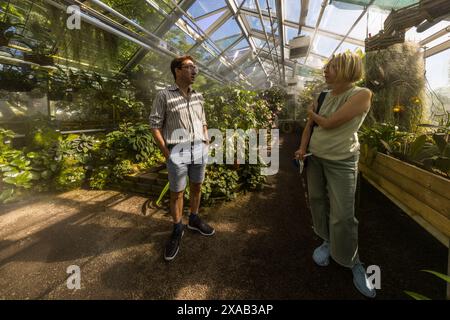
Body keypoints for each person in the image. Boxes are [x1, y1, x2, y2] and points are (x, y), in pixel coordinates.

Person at [294, 52, 376, 298]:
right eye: (326, 67)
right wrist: (302, 148)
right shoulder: (322, 95)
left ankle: (353, 261)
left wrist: (312, 115)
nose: (325, 71)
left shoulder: (361, 94)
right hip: (315, 158)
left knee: (343, 214)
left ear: (346, 69)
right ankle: (327, 241)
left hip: (342, 161)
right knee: (317, 201)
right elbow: (311, 127)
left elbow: (328, 123)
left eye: (331, 67)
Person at [149, 55, 214, 262]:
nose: (194, 71)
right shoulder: (164, 95)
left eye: (195, 67)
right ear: (177, 70)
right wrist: (167, 154)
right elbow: (155, 125)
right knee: (177, 193)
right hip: (177, 151)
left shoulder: (198, 96)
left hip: (199, 149)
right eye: (189, 67)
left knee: (197, 186)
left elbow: (203, 120)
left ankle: (193, 219)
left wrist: (205, 141)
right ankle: (177, 228)